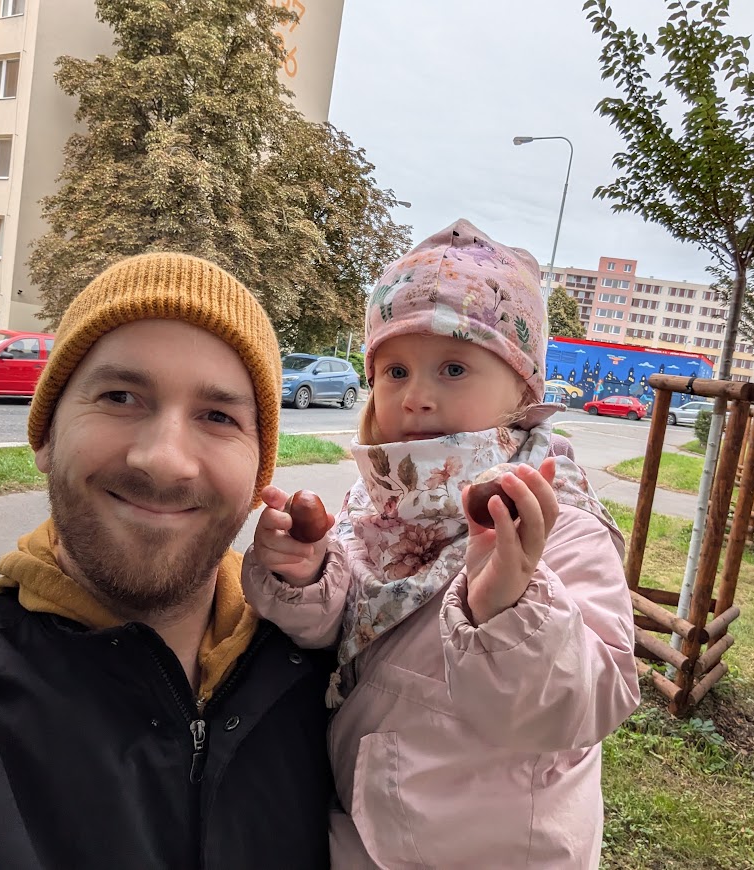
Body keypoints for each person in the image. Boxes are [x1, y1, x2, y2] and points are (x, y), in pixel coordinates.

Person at [0, 253, 334, 869]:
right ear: (45, 435)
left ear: (258, 476)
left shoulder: (340, 693)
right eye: (120, 396)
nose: (164, 460)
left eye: (218, 416)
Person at [243, 219, 641, 868]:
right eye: (395, 369)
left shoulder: (553, 518)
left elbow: (590, 701)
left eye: (453, 367)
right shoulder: (376, 498)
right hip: (367, 835)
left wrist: (511, 608)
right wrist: (306, 575)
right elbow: (339, 627)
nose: (417, 397)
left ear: (522, 388)